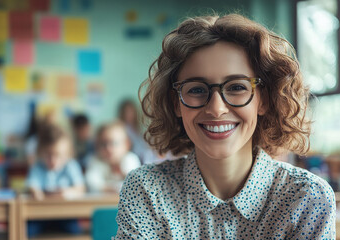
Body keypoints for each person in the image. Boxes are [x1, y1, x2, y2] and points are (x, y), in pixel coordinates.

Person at [115, 13, 335, 239]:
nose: (216, 109)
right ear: (176, 104)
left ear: (264, 100)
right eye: (197, 89)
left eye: (237, 87)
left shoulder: (307, 196)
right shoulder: (146, 189)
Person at [26, 124, 85, 237]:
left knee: (75, 232)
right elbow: (32, 185)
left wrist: (68, 192)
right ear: (40, 152)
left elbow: (80, 188)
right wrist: (35, 192)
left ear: (67, 153)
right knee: (28, 231)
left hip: (66, 214)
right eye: (48, 155)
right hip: (41, 214)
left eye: (58, 155)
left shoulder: (71, 165)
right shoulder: (38, 167)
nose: (53, 160)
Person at [85, 121, 140, 193]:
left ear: (126, 144)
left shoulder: (130, 159)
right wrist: (109, 188)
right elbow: (91, 183)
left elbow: (135, 182)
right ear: (97, 146)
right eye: (103, 144)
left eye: (114, 143)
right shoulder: (96, 160)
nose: (108, 148)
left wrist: (122, 173)